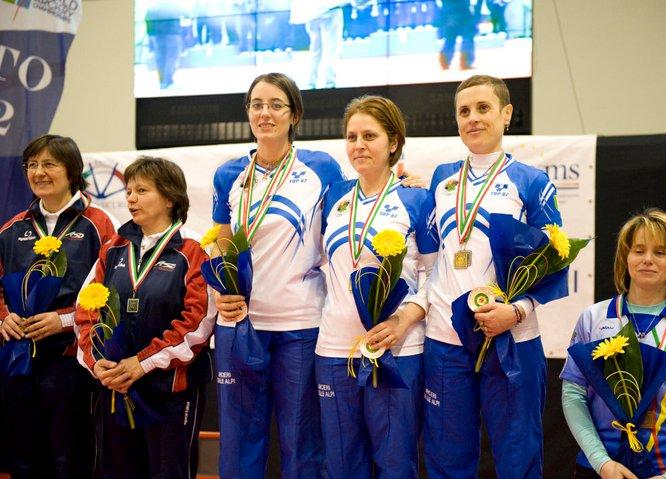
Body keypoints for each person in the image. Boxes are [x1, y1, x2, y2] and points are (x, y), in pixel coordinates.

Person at [416, 75, 564, 478]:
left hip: (512, 338)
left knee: (518, 458)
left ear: (507, 114)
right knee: (447, 460)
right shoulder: (442, 178)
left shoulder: (531, 181)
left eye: (483, 108)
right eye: (464, 111)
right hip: (446, 341)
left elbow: (554, 260)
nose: (473, 118)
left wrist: (515, 311)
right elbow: (429, 256)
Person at [211, 72, 345, 479]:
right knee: (238, 443)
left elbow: (351, 217)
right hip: (240, 324)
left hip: (299, 325)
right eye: (256, 104)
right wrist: (223, 291)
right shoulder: (228, 174)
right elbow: (222, 243)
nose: (264, 113)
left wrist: (401, 180)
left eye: (275, 105)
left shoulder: (321, 168)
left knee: (302, 440)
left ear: (294, 115)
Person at [75, 156, 216, 479]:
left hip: (169, 391)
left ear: (169, 197)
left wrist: (142, 363)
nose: (131, 199)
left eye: (142, 190)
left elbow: (197, 323)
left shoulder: (193, 250)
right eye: (128, 191)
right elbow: (87, 310)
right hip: (116, 387)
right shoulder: (113, 248)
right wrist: (98, 363)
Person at [316, 95, 432, 478]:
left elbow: (436, 275)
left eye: (370, 135)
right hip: (334, 348)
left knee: (395, 463)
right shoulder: (333, 197)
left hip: (397, 349)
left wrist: (404, 319)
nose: (358, 145)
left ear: (393, 142)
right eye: (351, 137)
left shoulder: (416, 198)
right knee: (341, 465)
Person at [561, 209, 666, 479]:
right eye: (638, 250)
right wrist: (602, 463)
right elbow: (573, 395)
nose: (648, 259)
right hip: (601, 468)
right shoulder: (593, 318)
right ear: (625, 256)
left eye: (660, 252)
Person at [0, 134, 118, 479]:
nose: (39, 172)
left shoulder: (98, 224)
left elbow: (111, 291)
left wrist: (64, 320)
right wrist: (4, 318)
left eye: (49, 164)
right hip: (18, 361)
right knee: (23, 457)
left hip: (71, 362)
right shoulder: (11, 229)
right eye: (32, 165)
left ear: (71, 170)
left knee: (72, 458)